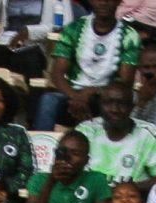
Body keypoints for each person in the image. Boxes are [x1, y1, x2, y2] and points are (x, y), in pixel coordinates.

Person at [46, 0, 142, 129]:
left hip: (107, 95)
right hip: (72, 92)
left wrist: (93, 91)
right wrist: (77, 97)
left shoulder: (130, 35)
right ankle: (41, 143)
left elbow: (126, 82)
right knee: (48, 101)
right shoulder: (73, 29)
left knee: (113, 104)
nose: (103, 3)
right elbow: (57, 73)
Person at [21, 125, 112, 203]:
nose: (66, 158)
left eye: (75, 154)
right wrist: (51, 181)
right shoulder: (39, 180)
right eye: (62, 152)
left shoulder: (96, 180)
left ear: (86, 161)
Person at [85, 79, 156, 189]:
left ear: (132, 107)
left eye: (122, 104)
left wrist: (127, 190)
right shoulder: (86, 130)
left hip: (131, 202)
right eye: (108, 103)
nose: (114, 109)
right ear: (100, 105)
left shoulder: (148, 133)